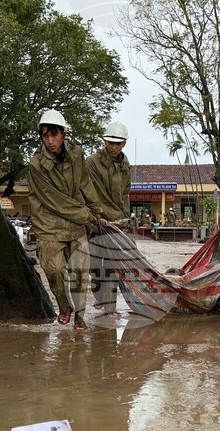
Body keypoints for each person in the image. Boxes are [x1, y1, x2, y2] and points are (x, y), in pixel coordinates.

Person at [27, 109, 105, 330]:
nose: (50, 141)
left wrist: (96, 211)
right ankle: (64, 306)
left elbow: (84, 183)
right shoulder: (36, 165)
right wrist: (86, 215)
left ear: (63, 134)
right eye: (45, 136)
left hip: (75, 225)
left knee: (81, 272)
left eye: (54, 135)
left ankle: (80, 317)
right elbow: (54, 201)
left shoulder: (77, 154)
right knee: (54, 271)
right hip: (49, 223)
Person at [86, 121, 132, 315]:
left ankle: (111, 308)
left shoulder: (125, 164)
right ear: (104, 141)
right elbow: (90, 193)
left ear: (124, 144)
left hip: (117, 223)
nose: (114, 147)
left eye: (118, 143)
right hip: (96, 222)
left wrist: (126, 219)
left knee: (114, 266)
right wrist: (97, 216)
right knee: (96, 265)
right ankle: (101, 298)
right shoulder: (92, 163)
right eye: (110, 143)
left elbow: (125, 193)